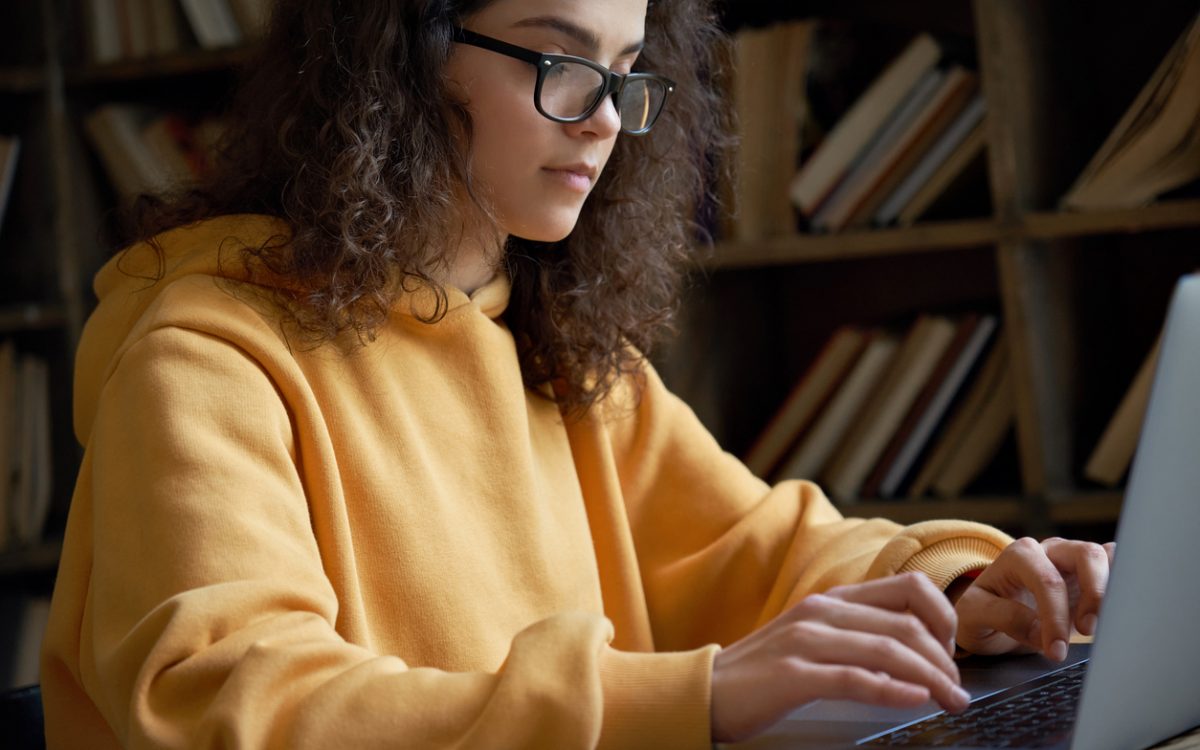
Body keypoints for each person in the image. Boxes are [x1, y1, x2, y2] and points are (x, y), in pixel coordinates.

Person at [41, 0, 1115, 747]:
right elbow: (231, 707)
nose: (604, 116)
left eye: (624, 69)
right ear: (400, 60)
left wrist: (963, 589)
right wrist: (693, 698)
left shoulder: (551, 343)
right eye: (558, 60)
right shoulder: (204, 357)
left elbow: (759, 547)